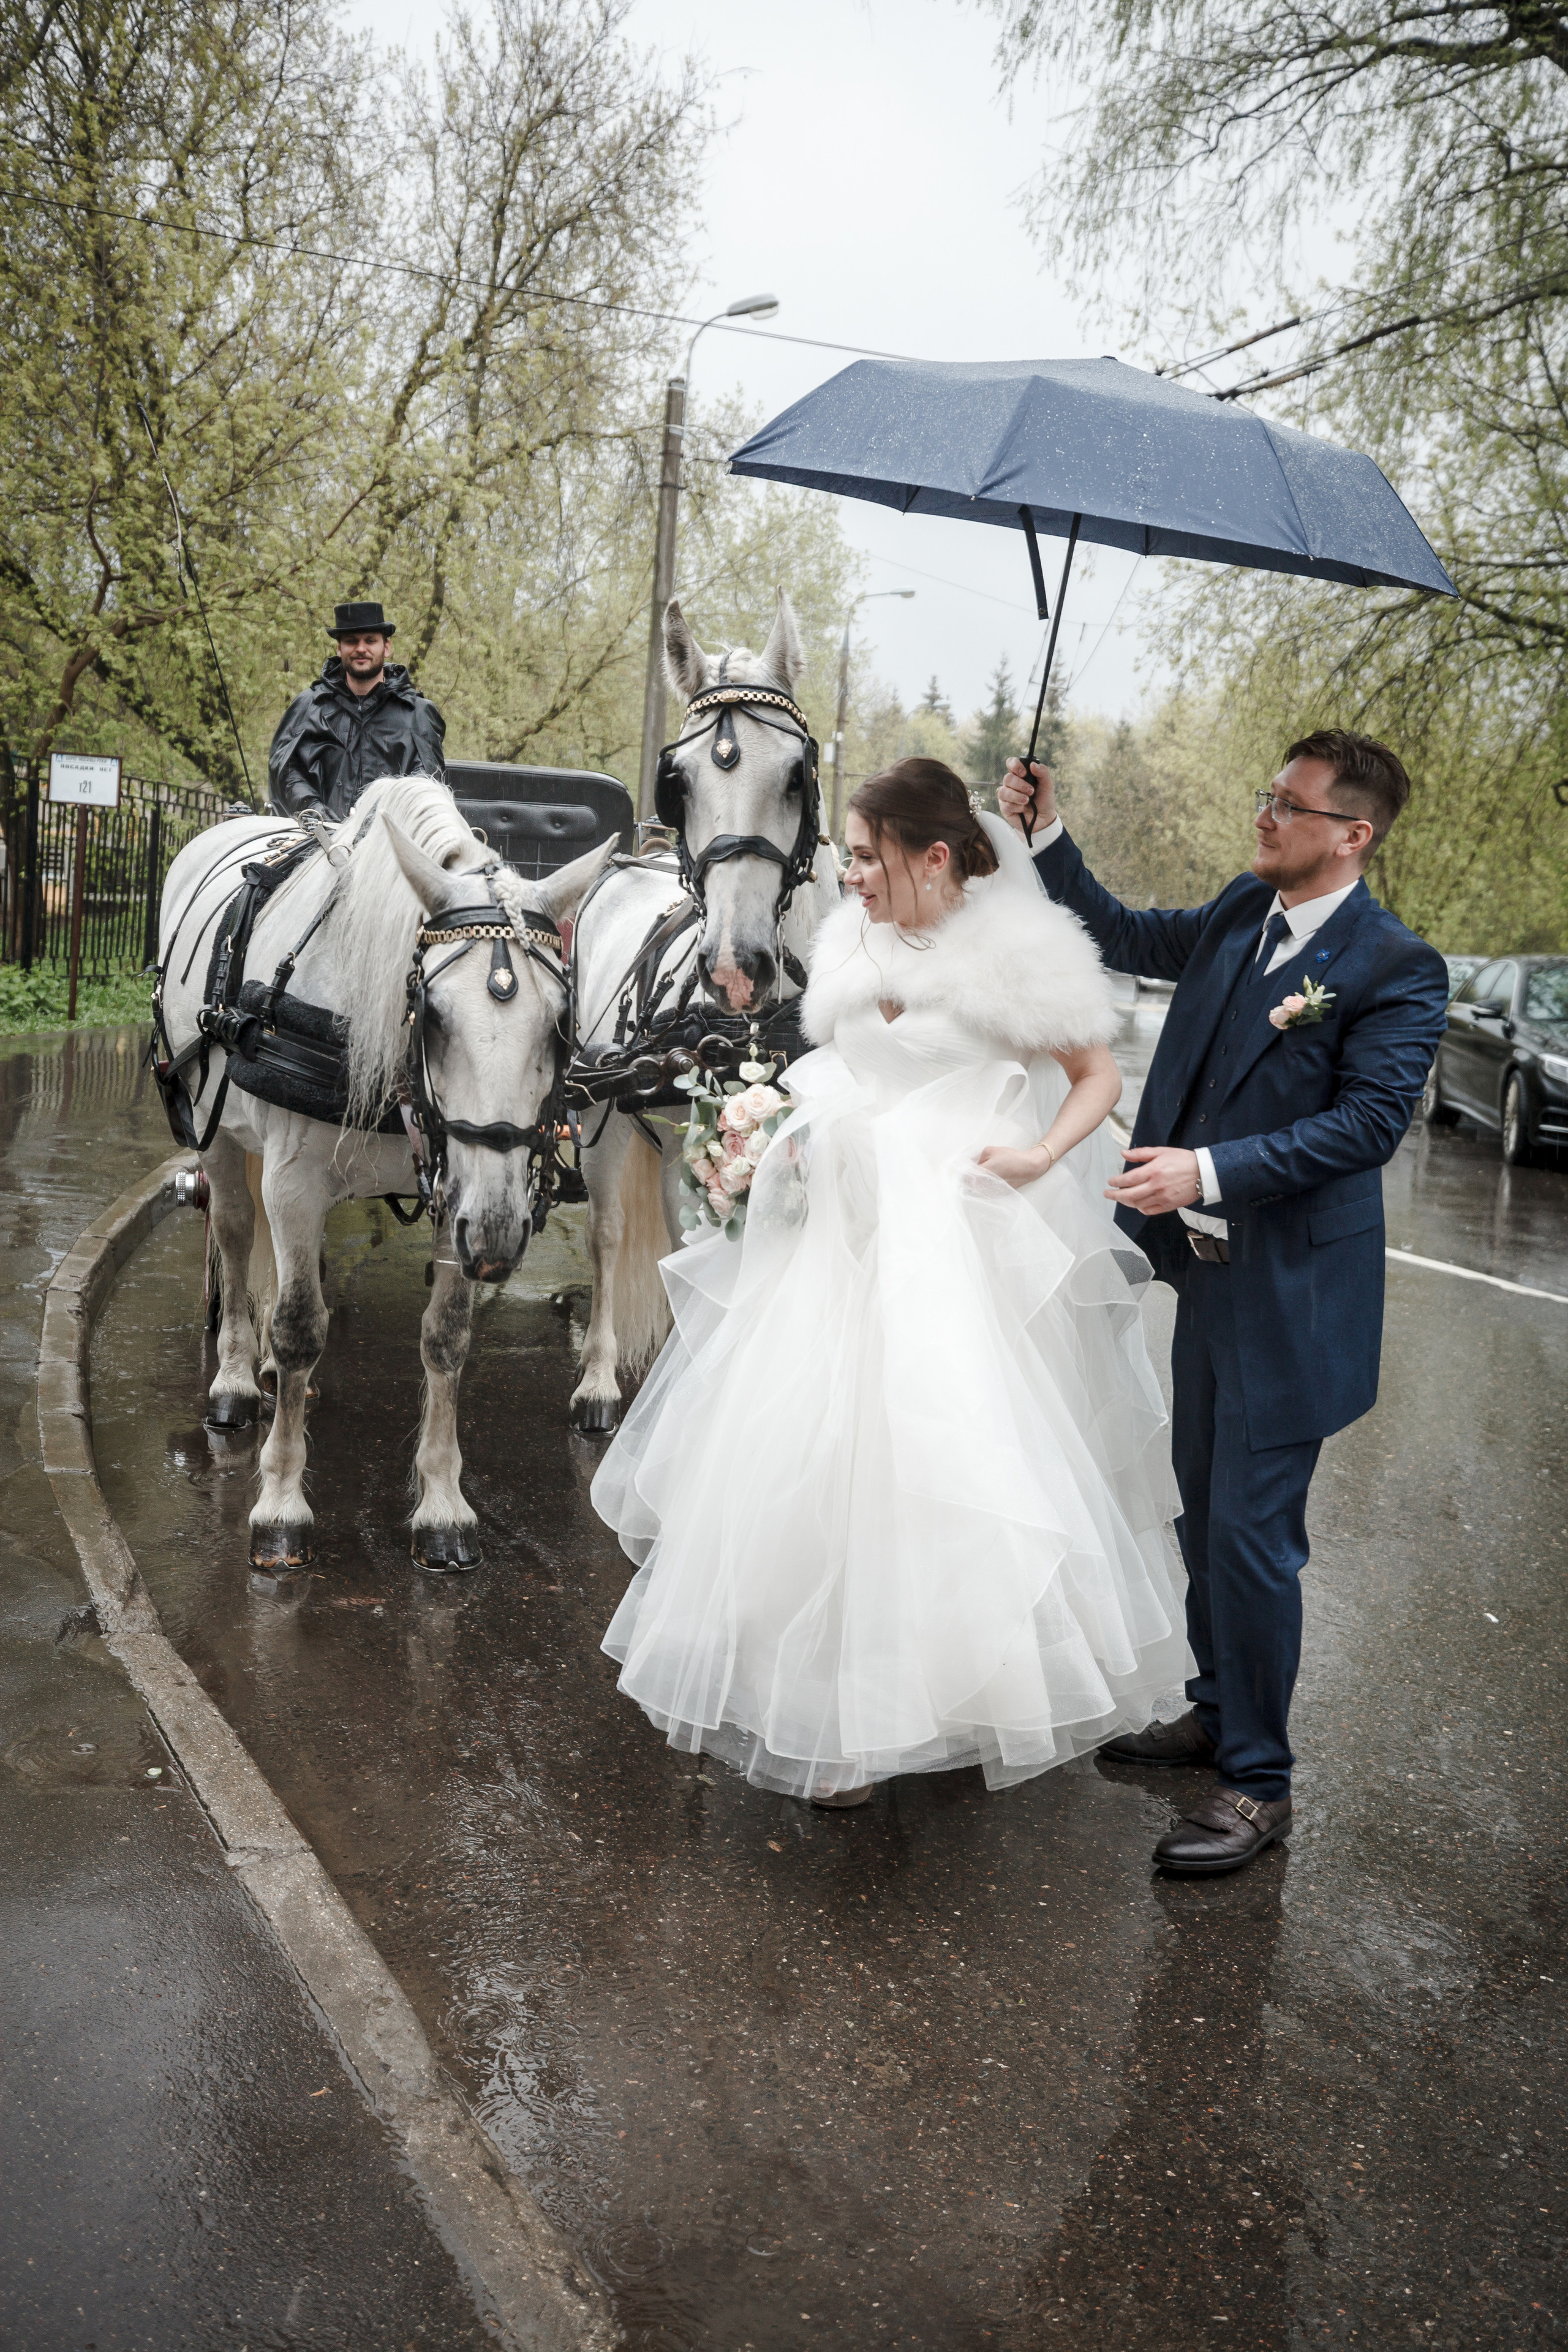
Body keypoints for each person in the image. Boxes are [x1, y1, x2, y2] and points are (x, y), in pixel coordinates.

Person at [592, 758, 1190, 1807]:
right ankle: (833, 1723)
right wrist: (765, 1137)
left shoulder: (1020, 951)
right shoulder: (849, 941)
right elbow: (838, 1071)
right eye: (849, 857)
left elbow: (1097, 1077)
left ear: (936, 854)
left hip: (954, 1243)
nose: (851, 876)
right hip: (836, 1232)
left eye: (867, 857)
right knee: (816, 1470)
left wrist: (1039, 1157)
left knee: (935, 1477)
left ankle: (925, 1702)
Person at [998, 733, 1449, 1874]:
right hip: (1209, 1281)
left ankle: (1259, 1786)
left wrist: (1205, 1168)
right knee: (1199, 1514)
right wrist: (1046, 834)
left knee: (1253, 1542)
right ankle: (1213, 1710)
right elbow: (1123, 934)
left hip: (1294, 1299)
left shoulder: (1397, 966)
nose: (1266, 818)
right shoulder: (1242, 916)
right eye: (1267, 795)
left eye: (1289, 807)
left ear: (1354, 834)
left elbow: (1366, 1127)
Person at [268, 600, 446, 823]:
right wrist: (316, 812)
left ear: (387, 647)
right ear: (339, 649)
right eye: (352, 641)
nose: (361, 649)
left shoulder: (417, 713)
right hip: (314, 837)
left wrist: (379, 816)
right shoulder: (308, 707)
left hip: (390, 841)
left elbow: (427, 780)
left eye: (370, 641)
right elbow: (285, 769)